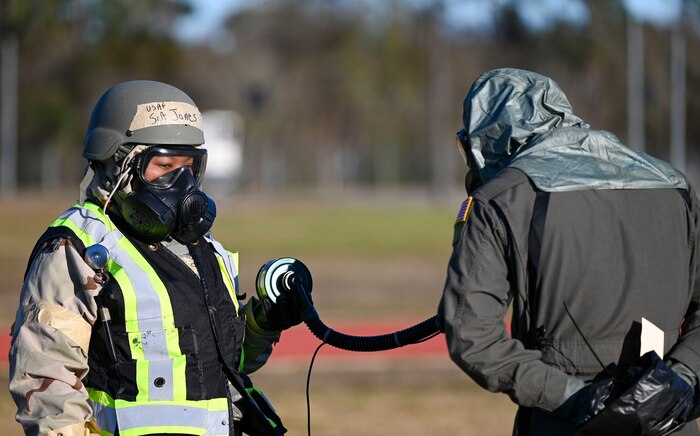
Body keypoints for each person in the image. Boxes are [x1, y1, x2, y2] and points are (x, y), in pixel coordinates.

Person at [9, 80, 303, 436]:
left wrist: (263, 324)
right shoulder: (78, 251)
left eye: (190, 167)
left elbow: (216, 365)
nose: (183, 185)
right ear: (118, 164)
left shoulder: (204, 250)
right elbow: (47, 389)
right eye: (163, 165)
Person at [438, 68, 700, 435]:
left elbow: (471, 334)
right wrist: (680, 380)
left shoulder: (499, 199)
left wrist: (577, 399)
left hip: (563, 422)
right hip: (670, 421)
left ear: (486, 137)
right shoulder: (675, 185)